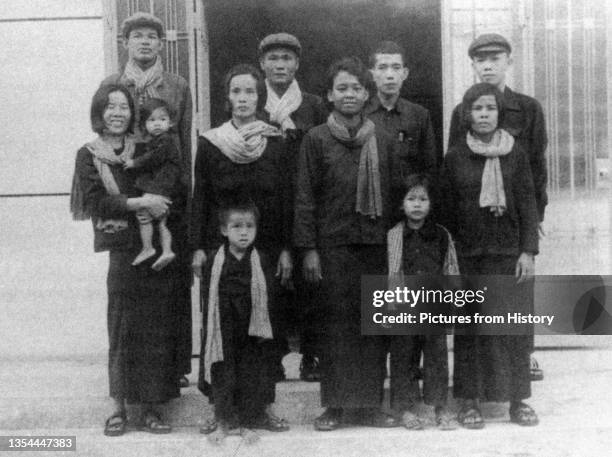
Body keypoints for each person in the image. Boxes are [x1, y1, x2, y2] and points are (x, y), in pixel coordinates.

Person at [70, 84, 187, 436]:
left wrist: (160, 201)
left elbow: (171, 180)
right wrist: (140, 202)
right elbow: (95, 201)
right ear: (99, 113)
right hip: (123, 247)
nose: (118, 113)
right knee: (122, 324)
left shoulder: (147, 146)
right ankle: (119, 406)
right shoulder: (89, 154)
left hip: (153, 245)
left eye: (123, 107)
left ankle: (152, 407)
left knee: (154, 325)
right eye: (110, 107)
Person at [293, 57, 400, 431]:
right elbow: (305, 197)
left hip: (374, 246)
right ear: (329, 95)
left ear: (367, 94)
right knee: (335, 327)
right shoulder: (316, 140)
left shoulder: (382, 140)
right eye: (342, 88)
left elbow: (397, 195)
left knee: (374, 327)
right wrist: (308, 249)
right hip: (332, 247)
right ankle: (336, 405)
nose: (349, 94)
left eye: (356, 88)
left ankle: (370, 405)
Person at [191, 63, 292, 434]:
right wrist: (198, 247)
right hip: (221, 254)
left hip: (262, 254)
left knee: (261, 334)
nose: (243, 99)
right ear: (227, 97)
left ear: (259, 96)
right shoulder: (211, 142)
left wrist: (284, 248)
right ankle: (219, 409)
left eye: (250, 92)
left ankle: (260, 408)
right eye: (236, 92)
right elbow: (200, 196)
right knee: (221, 332)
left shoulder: (275, 142)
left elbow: (284, 199)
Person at [100, 11, 193, 387]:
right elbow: (103, 138)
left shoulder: (177, 85)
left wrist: (180, 195)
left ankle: (172, 371)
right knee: (127, 292)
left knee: (168, 287)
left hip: (166, 194)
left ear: (161, 43)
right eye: (137, 36)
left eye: (151, 37)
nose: (144, 42)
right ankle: (126, 383)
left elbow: (182, 145)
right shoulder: (113, 84)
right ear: (125, 42)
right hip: (126, 196)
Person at [447, 33, 547, 382]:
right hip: (474, 234)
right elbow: (454, 173)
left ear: (509, 61)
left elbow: (535, 173)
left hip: (513, 224)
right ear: (473, 65)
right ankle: (474, 390)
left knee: (513, 304)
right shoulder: (462, 111)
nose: (488, 65)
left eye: (496, 58)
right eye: (480, 59)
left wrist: (531, 234)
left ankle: (524, 363)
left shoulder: (528, 108)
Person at [441, 82, 539, 429]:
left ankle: (518, 401)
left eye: (490, 108)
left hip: (507, 256)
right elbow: (446, 211)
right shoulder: (454, 157)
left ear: (499, 113)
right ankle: (470, 402)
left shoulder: (516, 154)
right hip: (469, 256)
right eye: (477, 109)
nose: (484, 114)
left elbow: (528, 204)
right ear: (467, 115)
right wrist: (450, 258)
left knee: (511, 328)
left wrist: (527, 251)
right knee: (470, 330)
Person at [258, 32, 328, 381]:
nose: (280, 64)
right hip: (267, 205)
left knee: (310, 282)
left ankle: (312, 355)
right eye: (273, 58)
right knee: (271, 282)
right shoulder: (253, 102)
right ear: (262, 65)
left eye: (287, 58)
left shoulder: (313, 105)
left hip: (305, 201)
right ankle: (272, 356)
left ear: (297, 64)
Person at [202, 200, 281, 446]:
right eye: (237, 226)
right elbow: (208, 298)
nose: (244, 232)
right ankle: (224, 422)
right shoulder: (215, 260)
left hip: (251, 328)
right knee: (223, 372)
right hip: (223, 327)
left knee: (250, 373)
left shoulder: (261, 259)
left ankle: (248, 422)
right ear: (224, 230)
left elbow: (268, 298)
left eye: (249, 226)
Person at [386, 173, 458, 431]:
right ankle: (405, 409)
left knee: (436, 357)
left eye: (423, 199)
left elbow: (450, 269)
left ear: (431, 203)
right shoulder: (394, 236)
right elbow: (389, 273)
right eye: (411, 198)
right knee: (403, 357)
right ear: (401, 204)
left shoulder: (440, 235)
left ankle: (440, 408)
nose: (417, 204)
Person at [366, 41, 437, 198]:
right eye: (383, 67)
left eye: (396, 67)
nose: (390, 75)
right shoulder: (360, 115)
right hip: (370, 206)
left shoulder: (419, 116)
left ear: (405, 73)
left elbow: (429, 169)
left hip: (407, 208)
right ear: (372, 74)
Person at [125, 98, 181, 270]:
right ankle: (166, 250)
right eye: (152, 120)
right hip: (163, 184)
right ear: (144, 124)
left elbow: (153, 158)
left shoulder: (166, 141)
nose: (157, 124)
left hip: (161, 183)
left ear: (170, 122)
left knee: (143, 213)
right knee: (162, 220)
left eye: (162, 119)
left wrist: (134, 163)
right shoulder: (158, 141)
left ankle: (148, 247)